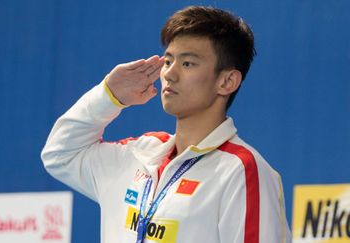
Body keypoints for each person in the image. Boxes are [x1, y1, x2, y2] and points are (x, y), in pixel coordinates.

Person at [41, 6, 291, 243]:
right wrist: (108, 97)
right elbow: (60, 155)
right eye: (168, 61)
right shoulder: (139, 154)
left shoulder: (241, 170)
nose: (169, 74)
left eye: (187, 63)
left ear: (227, 81)